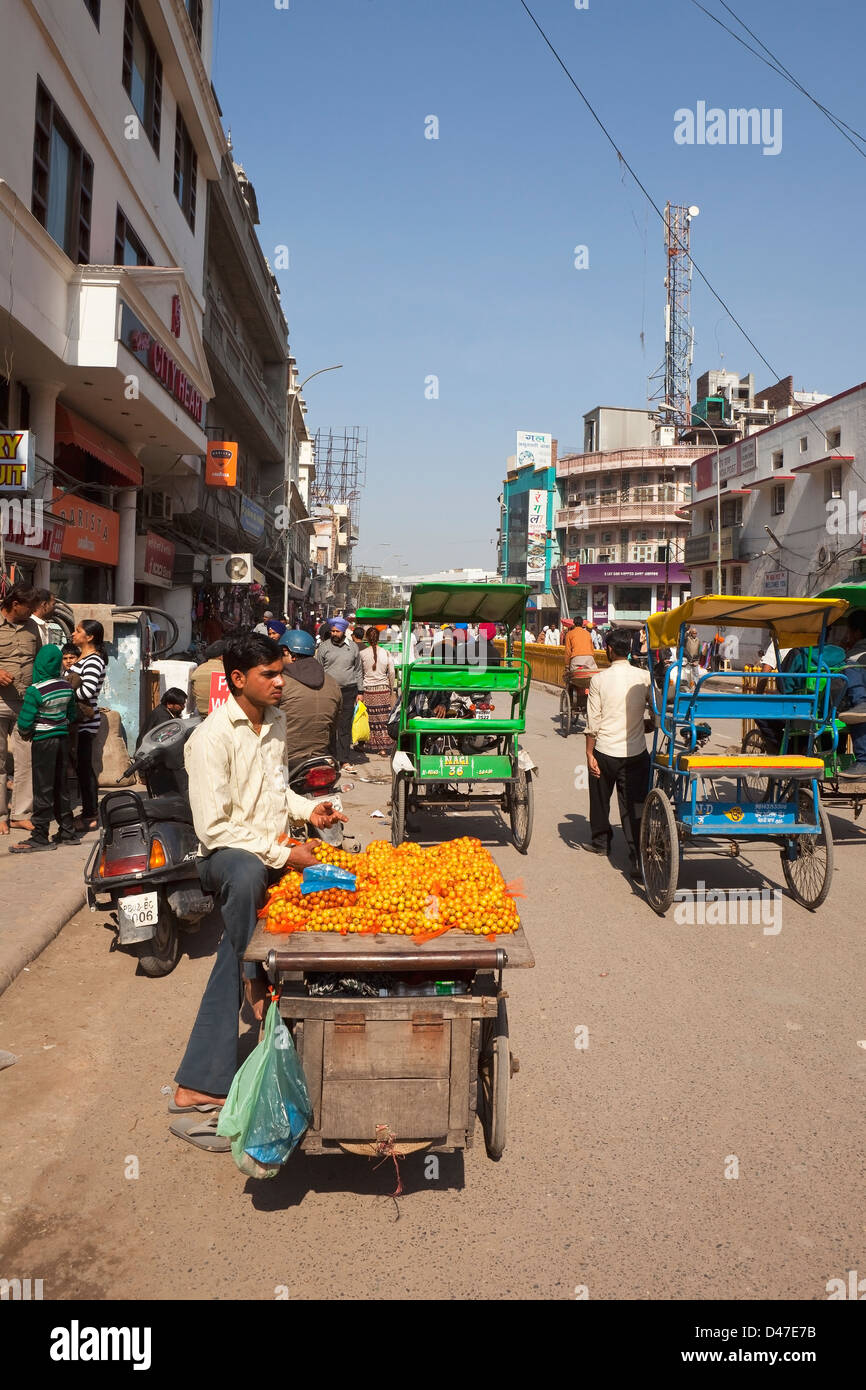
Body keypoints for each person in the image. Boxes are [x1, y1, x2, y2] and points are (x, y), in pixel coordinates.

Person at [170, 634, 347, 1150]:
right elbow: (214, 829)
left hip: (267, 844)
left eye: (280, 673)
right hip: (225, 859)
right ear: (238, 680)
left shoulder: (274, 724)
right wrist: (283, 853)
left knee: (330, 895)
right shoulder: (209, 739)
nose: (280, 682)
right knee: (248, 875)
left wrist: (306, 811)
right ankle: (249, 983)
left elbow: (275, 791)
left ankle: (261, 988)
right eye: (270, 674)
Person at [584, 627, 652, 880]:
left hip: (605, 751)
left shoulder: (599, 679)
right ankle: (637, 857)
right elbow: (654, 714)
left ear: (609, 650)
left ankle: (601, 841)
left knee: (600, 797)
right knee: (634, 805)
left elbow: (593, 723)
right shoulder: (644, 677)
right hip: (636, 753)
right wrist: (646, 724)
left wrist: (589, 754)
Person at [9, 644, 79, 852]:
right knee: (61, 786)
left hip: (43, 742)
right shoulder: (66, 686)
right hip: (62, 740)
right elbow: (72, 715)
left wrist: (26, 731)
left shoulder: (35, 690)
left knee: (43, 788)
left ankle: (40, 836)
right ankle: (67, 831)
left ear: (38, 664)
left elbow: (24, 721)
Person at [0, 585, 40, 834]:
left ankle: (20, 814)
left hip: (26, 703)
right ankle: (1, 815)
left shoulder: (33, 626)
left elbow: (39, 660)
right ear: (16, 604)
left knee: (27, 760)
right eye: (29, 606)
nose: (33, 611)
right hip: (0, 702)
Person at [278, 628, 341, 771]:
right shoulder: (332, 683)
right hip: (321, 757)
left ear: (288, 653)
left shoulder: (280, 683)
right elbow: (334, 725)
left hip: (285, 759)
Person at [69, 619, 107, 833]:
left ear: (89, 637)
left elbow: (88, 690)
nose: (73, 634)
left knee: (85, 768)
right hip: (77, 722)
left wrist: (65, 693)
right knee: (81, 768)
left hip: (85, 722)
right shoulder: (83, 658)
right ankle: (88, 812)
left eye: (78, 631)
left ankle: (90, 815)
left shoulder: (94, 660)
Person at [316, 616, 363, 767]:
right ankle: (331, 757)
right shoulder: (324, 647)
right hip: (328, 691)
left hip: (349, 691)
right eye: (332, 631)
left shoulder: (353, 647)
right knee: (329, 724)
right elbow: (318, 669)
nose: (334, 634)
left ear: (343, 632)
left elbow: (358, 670)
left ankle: (344, 759)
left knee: (345, 726)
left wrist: (360, 691)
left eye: (337, 631)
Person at [360, 626, 397, 757]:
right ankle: (384, 747)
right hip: (383, 690)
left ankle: (372, 744)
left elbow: (360, 673)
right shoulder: (386, 653)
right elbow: (392, 672)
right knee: (384, 719)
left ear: (367, 639)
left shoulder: (362, 654)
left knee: (371, 720)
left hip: (368, 690)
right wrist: (391, 687)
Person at [191, 641, 226, 716]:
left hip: (201, 716)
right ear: (221, 657)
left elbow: (194, 694)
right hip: (221, 717)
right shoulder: (227, 671)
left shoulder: (198, 670)